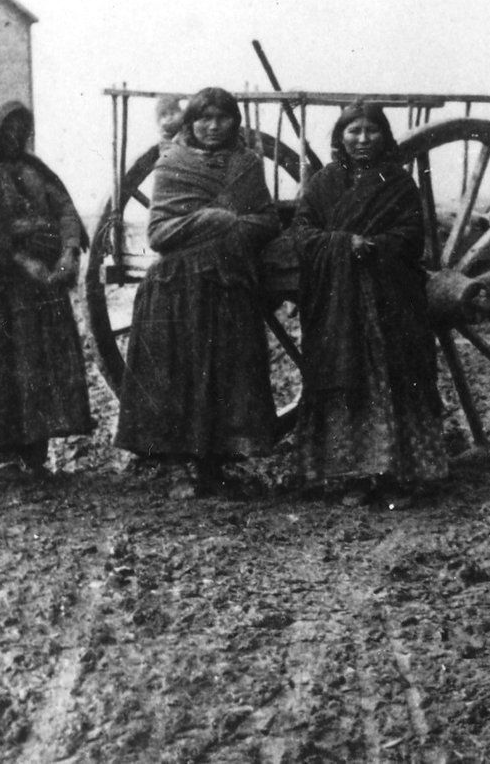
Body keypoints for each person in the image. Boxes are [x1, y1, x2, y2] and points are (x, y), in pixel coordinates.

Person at [115, 87, 280, 496]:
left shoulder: (247, 164)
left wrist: (232, 225)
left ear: (235, 122)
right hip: (178, 287)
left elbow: (266, 219)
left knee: (226, 376)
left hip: (227, 286)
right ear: (191, 122)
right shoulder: (173, 163)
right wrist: (215, 219)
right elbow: (159, 233)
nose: (213, 126)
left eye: (222, 118)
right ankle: (180, 468)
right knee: (178, 375)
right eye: (204, 118)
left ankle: (216, 466)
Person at [285, 100, 448, 508]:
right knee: (343, 379)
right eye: (353, 131)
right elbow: (303, 232)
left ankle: (397, 475)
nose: (362, 139)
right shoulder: (322, 184)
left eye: (370, 131)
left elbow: (412, 233)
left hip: (390, 301)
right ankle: (349, 479)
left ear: (385, 136)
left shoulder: (398, 182)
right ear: (340, 137)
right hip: (338, 304)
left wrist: (373, 246)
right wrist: (342, 244)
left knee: (395, 378)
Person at [0, 102, 92, 476]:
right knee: (3, 369)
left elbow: (64, 210)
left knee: (40, 367)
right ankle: (1, 455)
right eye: (7, 130)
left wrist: (67, 253)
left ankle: (35, 452)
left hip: (43, 291)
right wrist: (19, 258)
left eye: (21, 130)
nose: (14, 137)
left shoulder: (35, 170)